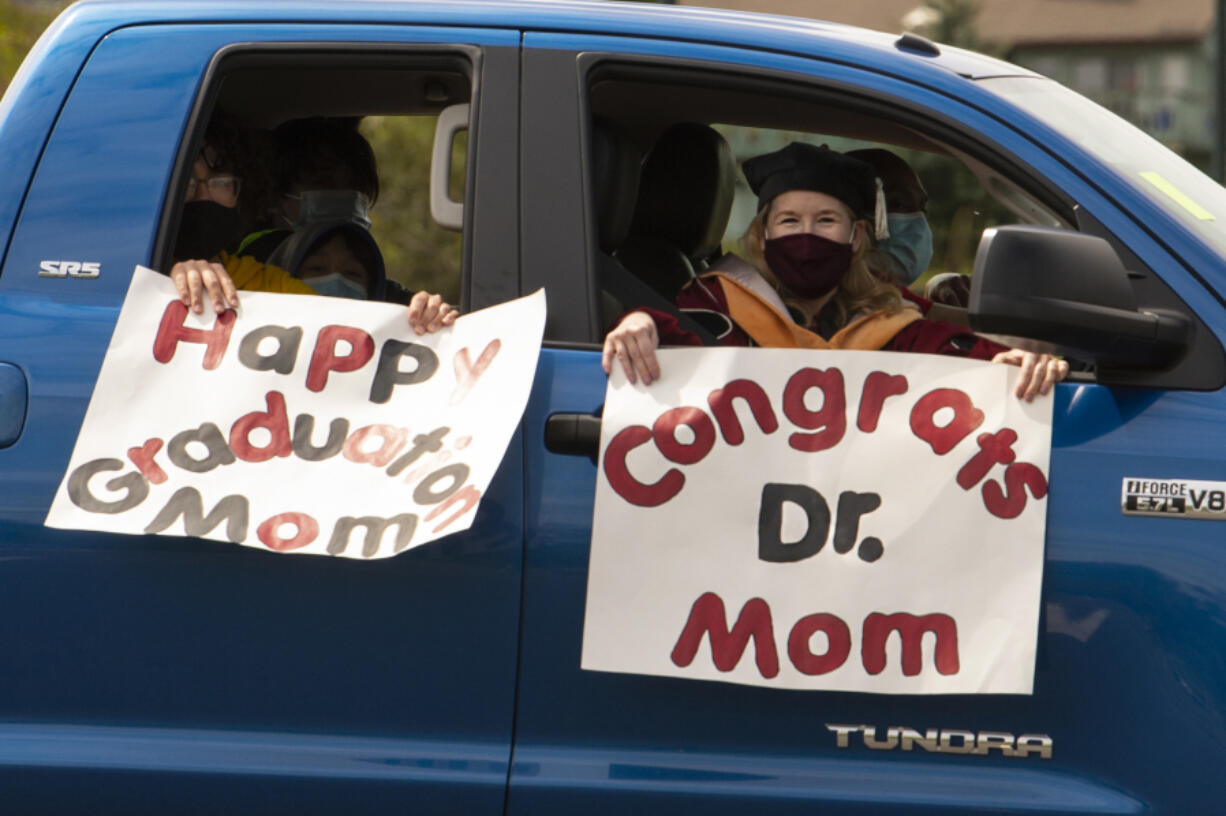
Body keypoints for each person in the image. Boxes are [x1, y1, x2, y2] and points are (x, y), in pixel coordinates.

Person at [602, 142, 1068, 401]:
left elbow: (947, 348)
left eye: (826, 222)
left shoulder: (886, 318)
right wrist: (638, 323)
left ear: (857, 238)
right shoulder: (718, 300)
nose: (806, 238)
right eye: (789, 222)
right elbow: (673, 331)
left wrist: (1010, 361)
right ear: (763, 236)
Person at [166, 116, 456, 335]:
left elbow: (340, 332)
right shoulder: (152, 275)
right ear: (274, 195)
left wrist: (425, 318)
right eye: (323, 184)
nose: (203, 193)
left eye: (219, 181)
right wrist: (169, 279)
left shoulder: (270, 284)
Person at [846, 147, 934, 286]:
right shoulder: (828, 298)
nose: (919, 223)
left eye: (922, 208)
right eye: (899, 204)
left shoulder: (889, 299)